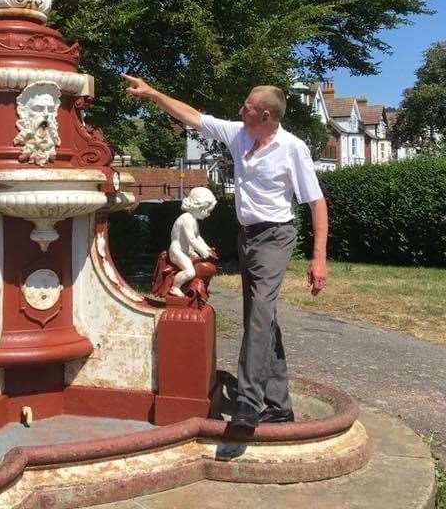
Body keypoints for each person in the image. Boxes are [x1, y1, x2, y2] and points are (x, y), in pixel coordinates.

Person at [122, 75, 328, 430]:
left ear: (264, 114)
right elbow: (194, 117)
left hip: (276, 236)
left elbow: (316, 203)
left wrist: (319, 257)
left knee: (258, 316)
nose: (239, 108)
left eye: (246, 105)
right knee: (263, 318)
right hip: (246, 237)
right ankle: (280, 405)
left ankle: (248, 402)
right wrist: (154, 93)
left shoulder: (293, 148)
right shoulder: (238, 133)